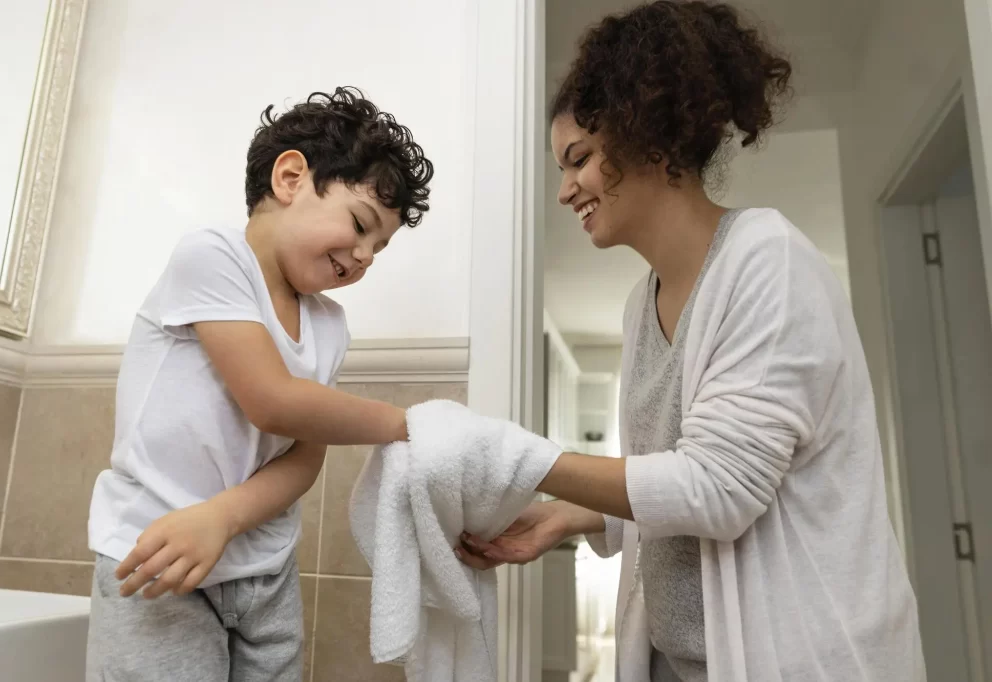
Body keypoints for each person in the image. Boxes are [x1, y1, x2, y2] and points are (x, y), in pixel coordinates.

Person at [456, 3, 924, 681]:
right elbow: (670, 476)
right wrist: (562, 517)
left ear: (648, 135)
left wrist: (515, 458)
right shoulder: (637, 310)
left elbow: (718, 487)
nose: (564, 191)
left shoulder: (768, 262)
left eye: (578, 159)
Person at [85, 87, 434, 681]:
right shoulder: (214, 256)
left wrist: (224, 517)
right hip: (162, 555)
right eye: (359, 225)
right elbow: (273, 403)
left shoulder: (329, 326)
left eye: (379, 249)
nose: (364, 257)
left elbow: (303, 459)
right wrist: (411, 426)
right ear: (291, 177)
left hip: (263, 565)